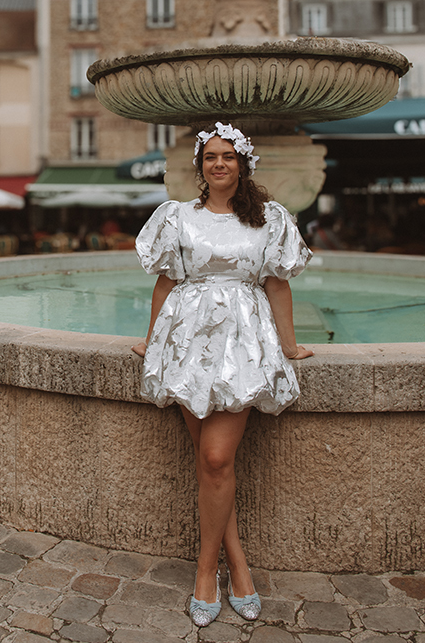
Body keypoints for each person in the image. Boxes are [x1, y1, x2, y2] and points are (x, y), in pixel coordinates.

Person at [131, 122, 313, 628]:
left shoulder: (268, 220)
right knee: (212, 466)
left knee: (215, 457)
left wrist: (290, 346)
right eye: (210, 156)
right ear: (200, 165)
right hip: (187, 345)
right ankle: (234, 566)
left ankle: (208, 567)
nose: (219, 164)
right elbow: (166, 283)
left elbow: (277, 286)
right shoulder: (177, 217)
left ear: (242, 164)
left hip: (241, 346)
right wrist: (152, 343)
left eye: (228, 156)